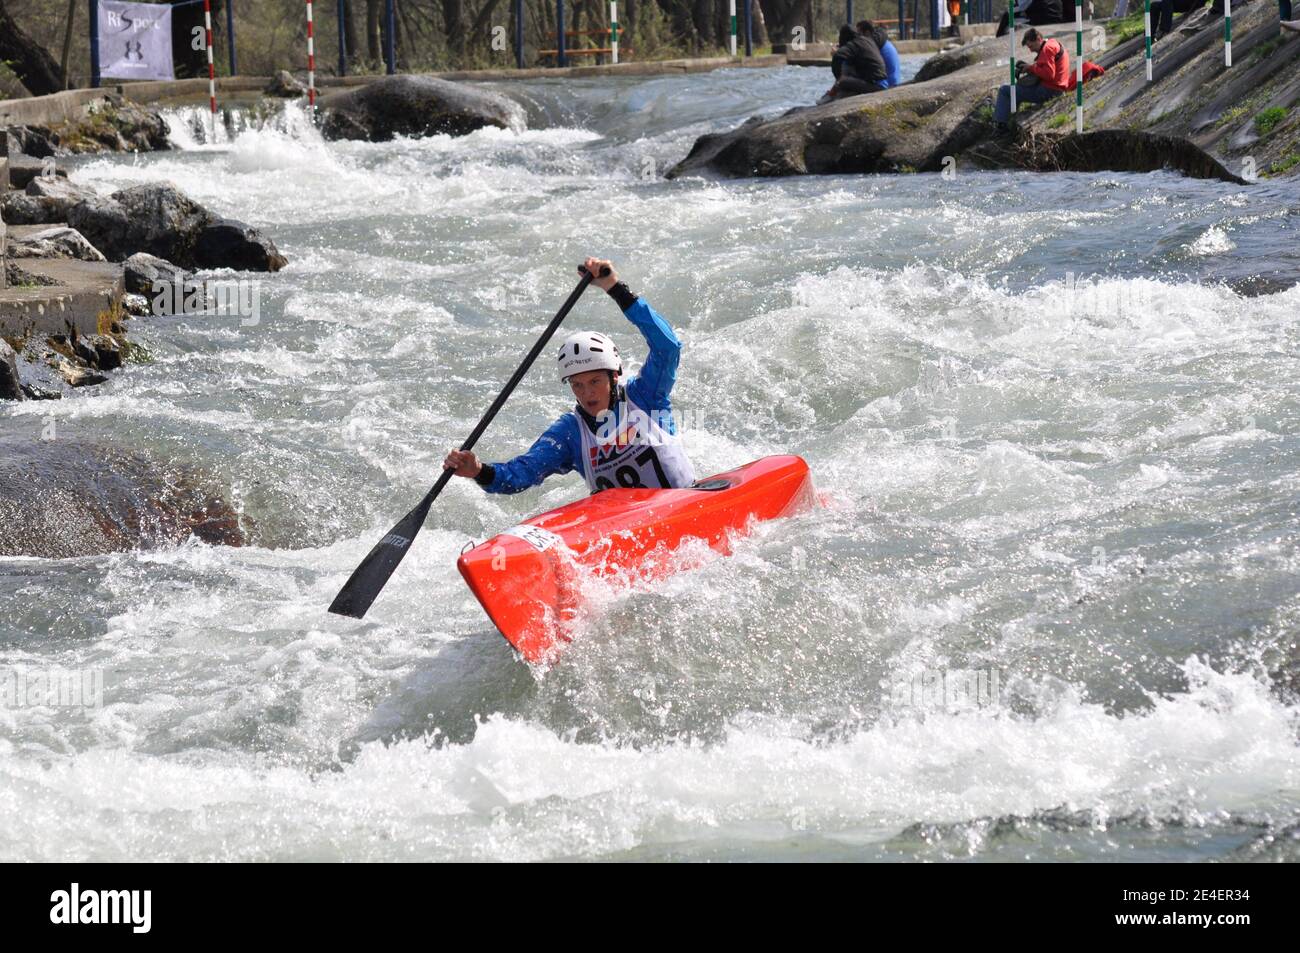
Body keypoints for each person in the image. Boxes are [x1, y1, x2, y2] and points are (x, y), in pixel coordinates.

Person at [443, 258, 696, 495]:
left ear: (614, 377)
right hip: (626, 529)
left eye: (595, 381)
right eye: (577, 385)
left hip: (681, 503)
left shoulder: (645, 397)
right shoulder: (570, 433)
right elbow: (521, 473)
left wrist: (614, 288)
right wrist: (479, 471)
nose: (587, 393)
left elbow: (668, 347)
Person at [993, 27, 1070, 128]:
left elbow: (1049, 74)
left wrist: (1031, 68)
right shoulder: (1052, 43)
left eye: (1031, 46)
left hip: (1049, 91)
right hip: (1057, 87)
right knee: (1016, 89)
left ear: (1038, 39)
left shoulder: (1047, 49)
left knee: (1004, 90)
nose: (1031, 50)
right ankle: (1010, 118)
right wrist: (1031, 68)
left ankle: (1000, 126)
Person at [828, 23, 889, 99]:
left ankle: (833, 94)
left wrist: (838, 77)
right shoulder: (868, 40)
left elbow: (838, 56)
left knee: (842, 81)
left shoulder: (852, 45)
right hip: (884, 83)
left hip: (877, 87)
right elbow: (882, 32)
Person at [857, 19, 903, 88]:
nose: (857, 37)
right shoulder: (881, 40)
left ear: (867, 33)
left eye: (859, 34)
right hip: (894, 82)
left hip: (886, 85)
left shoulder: (872, 46)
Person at [996, 0, 1065, 36]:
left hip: (1040, 21)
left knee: (1007, 16)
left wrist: (1009, 10)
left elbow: (1022, 7)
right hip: (1057, 19)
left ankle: (999, 38)